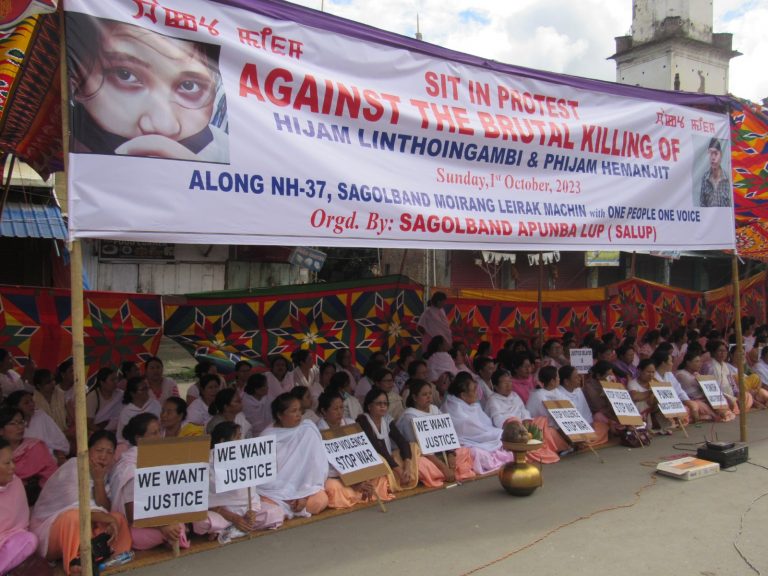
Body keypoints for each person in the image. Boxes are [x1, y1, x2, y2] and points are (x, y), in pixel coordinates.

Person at [67, 12, 229, 162]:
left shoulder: (225, 153)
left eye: (189, 85)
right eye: (125, 75)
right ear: (76, 77)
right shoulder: (65, 140)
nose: (164, 126)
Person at [31, 430, 131, 575]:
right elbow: (78, 508)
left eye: (109, 452)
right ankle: (77, 565)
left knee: (118, 517)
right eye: (99, 450)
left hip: (85, 532)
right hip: (49, 531)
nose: (103, 456)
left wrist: (98, 480)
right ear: (88, 451)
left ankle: (112, 559)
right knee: (74, 518)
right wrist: (107, 518)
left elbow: (105, 508)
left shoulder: (104, 472)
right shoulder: (73, 467)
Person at [111, 413, 189, 551]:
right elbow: (132, 514)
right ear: (139, 438)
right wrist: (162, 526)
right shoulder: (130, 467)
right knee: (176, 530)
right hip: (134, 526)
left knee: (181, 525)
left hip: (158, 518)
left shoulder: (156, 457)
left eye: (159, 431)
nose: (159, 437)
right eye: (154, 433)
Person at [193, 422, 283, 540]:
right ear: (222, 441)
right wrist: (233, 518)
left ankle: (229, 530)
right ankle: (234, 529)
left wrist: (251, 512)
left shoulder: (245, 457)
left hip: (244, 510)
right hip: (222, 513)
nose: (241, 441)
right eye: (237, 437)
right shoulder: (207, 462)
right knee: (201, 522)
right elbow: (204, 501)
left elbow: (251, 493)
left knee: (276, 513)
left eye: (241, 437)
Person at [316, 391, 393, 508]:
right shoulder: (318, 433)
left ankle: (362, 492)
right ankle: (356, 494)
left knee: (380, 471)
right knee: (332, 487)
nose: (340, 412)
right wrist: (353, 482)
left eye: (341, 407)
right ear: (323, 411)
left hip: (358, 475)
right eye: (335, 409)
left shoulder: (350, 424)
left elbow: (362, 453)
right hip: (337, 477)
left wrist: (363, 478)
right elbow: (324, 468)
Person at [257, 393, 329, 518]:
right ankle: (283, 509)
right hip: (275, 492)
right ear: (280, 415)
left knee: (320, 501)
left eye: (300, 410)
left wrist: (304, 495)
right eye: (293, 411)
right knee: (263, 504)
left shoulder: (307, 429)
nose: (299, 414)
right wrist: (287, 494)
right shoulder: (267, 437)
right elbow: (262, 476)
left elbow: (315, 466)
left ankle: (287, 511)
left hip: (304, 489)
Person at [397, 379, 475, 486]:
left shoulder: (434, 409)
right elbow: (420, 448)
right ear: (414, 397)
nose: (429, 397)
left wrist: (451, 455)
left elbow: (447, 435)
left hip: (442, 453)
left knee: (464, 451)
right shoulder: (409, 416)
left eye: (430, 393)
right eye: (424, 394)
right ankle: (445, 473)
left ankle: (450, 472)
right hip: (426, 457)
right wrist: (443, 467)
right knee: (421, 465)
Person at [442, 372, 514, 474]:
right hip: (469, 443)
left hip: (482, 438)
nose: (477, 393)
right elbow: (476, 431)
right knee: (480, 452)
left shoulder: (472, 404)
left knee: (503, 438)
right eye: (474, 390)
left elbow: (485, 425)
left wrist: (497, 433)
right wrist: (497, 434)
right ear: (463, 395)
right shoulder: (454, 408)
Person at [357, 387, 419, 492]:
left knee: (413, 446)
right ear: (369, 406)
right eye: (379, 403)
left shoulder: (386, 419)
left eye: (385, 404)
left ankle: (406, 474)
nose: (383, 406)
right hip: (374, 463)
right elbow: (376, 447)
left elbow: (401, 441)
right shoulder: (363, 420)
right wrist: (398, 470)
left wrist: (407, 466)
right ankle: (397, 477)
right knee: (380, 458)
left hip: (389, 460)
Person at [0, 406, 57, 504]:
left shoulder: (35, 446)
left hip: (37, 499)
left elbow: (51, 475)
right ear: (1, 430)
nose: (20, 427)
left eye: (21, 422)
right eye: (13, 423)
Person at [0, 437, 38, 575]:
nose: (13, 467)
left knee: (29, 540)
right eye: (7, 463)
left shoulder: (16, 483)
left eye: (13, 461)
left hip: (10, 544)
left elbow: (20, 527)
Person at [5, 390, 68, 463]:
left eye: (32, 401)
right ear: (15, 407)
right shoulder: (10, 427)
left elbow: (58, 440)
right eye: (26, 403)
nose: (31, 404)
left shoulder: (40, 415)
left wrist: (61, 458)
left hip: (52, 462)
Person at [558, 365, 609, 446]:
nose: (580, 379)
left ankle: (585, 442)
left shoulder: (578, 390)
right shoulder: (558, 395)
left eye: (579, 376)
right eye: (576, 377)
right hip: (570, 430)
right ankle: (582, 442)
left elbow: (586, 411)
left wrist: (590, 427)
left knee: (602, 427)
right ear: (566, 381)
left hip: (584, 427)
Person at [675, 351, 723, 422]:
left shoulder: (695, 374)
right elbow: (700, 384)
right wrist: (701, 379)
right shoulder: (681, 374)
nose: (700, 364)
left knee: (723, 399)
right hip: (691, 400)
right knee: (701, 406)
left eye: (700, 361)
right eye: (697, 361)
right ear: (688, 363)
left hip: (702, 398)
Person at [115, 376, 162, 443]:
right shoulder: (126, 412)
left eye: (147, 388)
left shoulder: (155, 404)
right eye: (143, 389)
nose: (146, 391)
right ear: (133, 393)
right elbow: (121, 436)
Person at [86, 367, 124, 433]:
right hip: (98, 433)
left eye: (116, 379)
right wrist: (106, 433)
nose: (116, 382)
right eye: (112, 380)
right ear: (102, 383)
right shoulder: (92, 397)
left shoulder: (121, 395)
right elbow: (89, 423)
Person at [32, 368, 68, 433]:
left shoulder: (61, 394)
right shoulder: (33, 401)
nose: (53, 383)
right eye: (48, 382)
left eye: (53, 380)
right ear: (39, 386)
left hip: (64, 434)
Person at [699, 138, 731, 207]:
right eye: (710, 153)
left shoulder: (728, 179)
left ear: (721, 155)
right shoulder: (705, 178)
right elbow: (702, 204)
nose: (713, 158)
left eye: (716, 153)